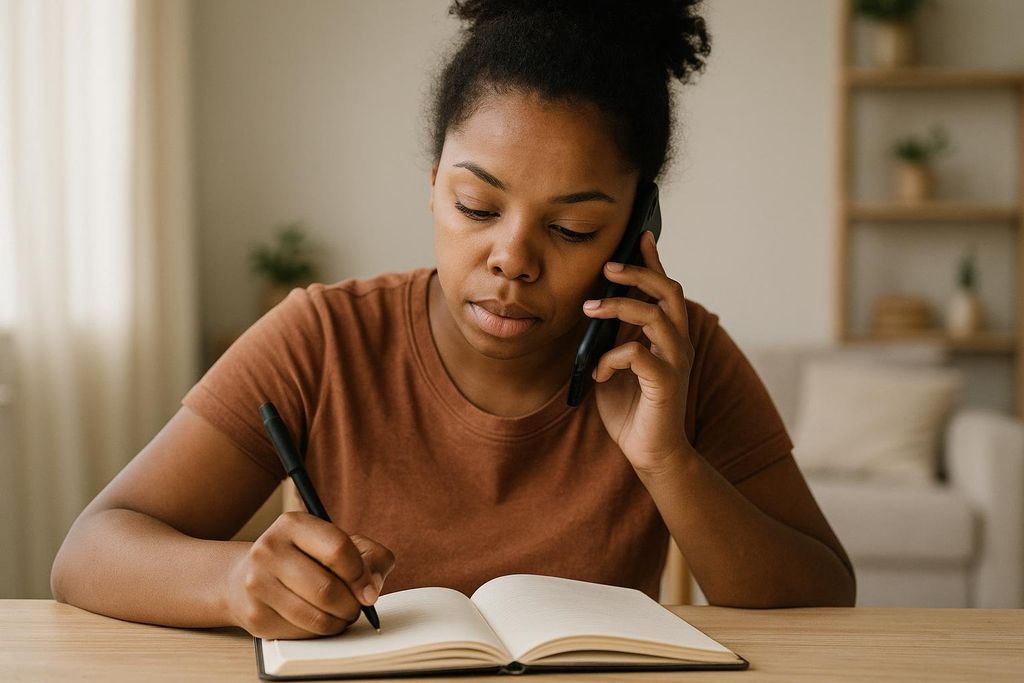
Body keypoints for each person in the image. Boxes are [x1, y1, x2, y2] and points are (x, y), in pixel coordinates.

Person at [51, 0, 856, 640]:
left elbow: (825, 596)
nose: (513, 258)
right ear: (435, 184)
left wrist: (666, 458)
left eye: (573, 227)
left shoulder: (674, 356)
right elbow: (89, 551)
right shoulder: (324, 337)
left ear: (636, 231)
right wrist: (233, 582)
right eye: (477, 205)